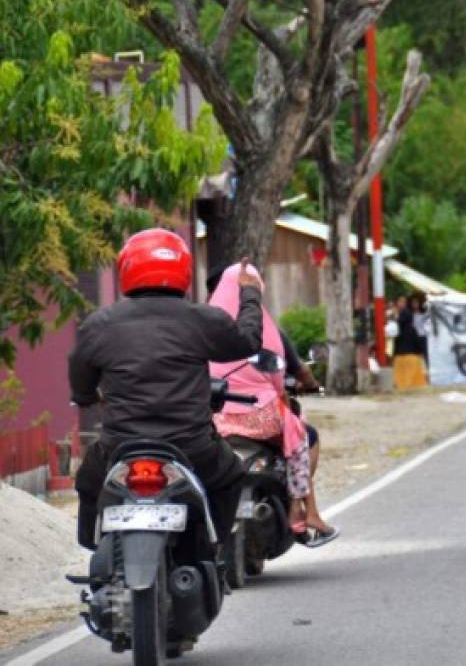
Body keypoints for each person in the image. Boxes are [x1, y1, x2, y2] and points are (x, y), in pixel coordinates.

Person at [70, 229, 261, 551]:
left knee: (88, 482)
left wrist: (88, 397)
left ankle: (94, 547)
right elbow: (247, 341)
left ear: (126, 269)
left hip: (121, 446)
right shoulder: (203, 319)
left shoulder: (98, 324)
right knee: (230, 476)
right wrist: (250, 295)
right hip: (192, 447)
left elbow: (81, 380)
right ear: (183, 270)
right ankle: (213, 547)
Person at [209, 263, 338, 546]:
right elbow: (278, 377)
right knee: (299, 437)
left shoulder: (203, 324)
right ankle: (300, 509)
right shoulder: (265, 327)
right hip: (260, 417)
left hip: (214, 419)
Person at [393, 294, 427, 389]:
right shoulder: (412, 330)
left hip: (401, 355)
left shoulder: (397, 328)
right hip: (411, 356)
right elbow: (418, 345)